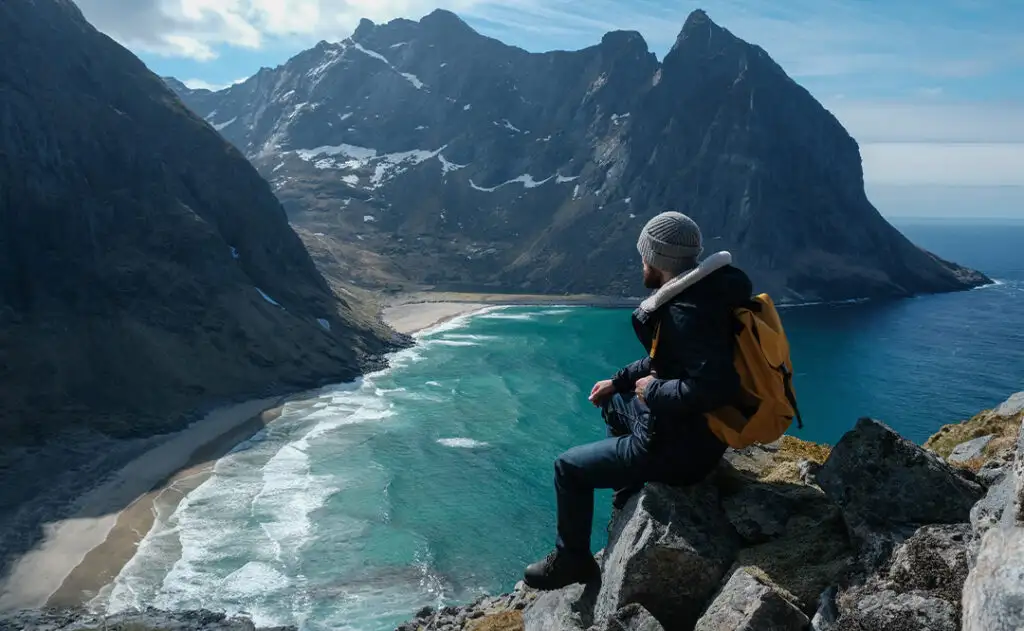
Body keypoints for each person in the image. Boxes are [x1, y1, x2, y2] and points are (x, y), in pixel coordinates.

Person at [522, 211, 754, 591]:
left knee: (567, 468)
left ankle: (572, 560)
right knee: (614, 402)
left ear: (658, 259)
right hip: (700, 435)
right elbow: (670, 360)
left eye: (644, 256)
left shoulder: (685, 311)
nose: (641, 263)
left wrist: (651, 390)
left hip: (675, 450)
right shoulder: (709, 293)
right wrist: (619, 382)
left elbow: (713, 387)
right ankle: (629, 487)